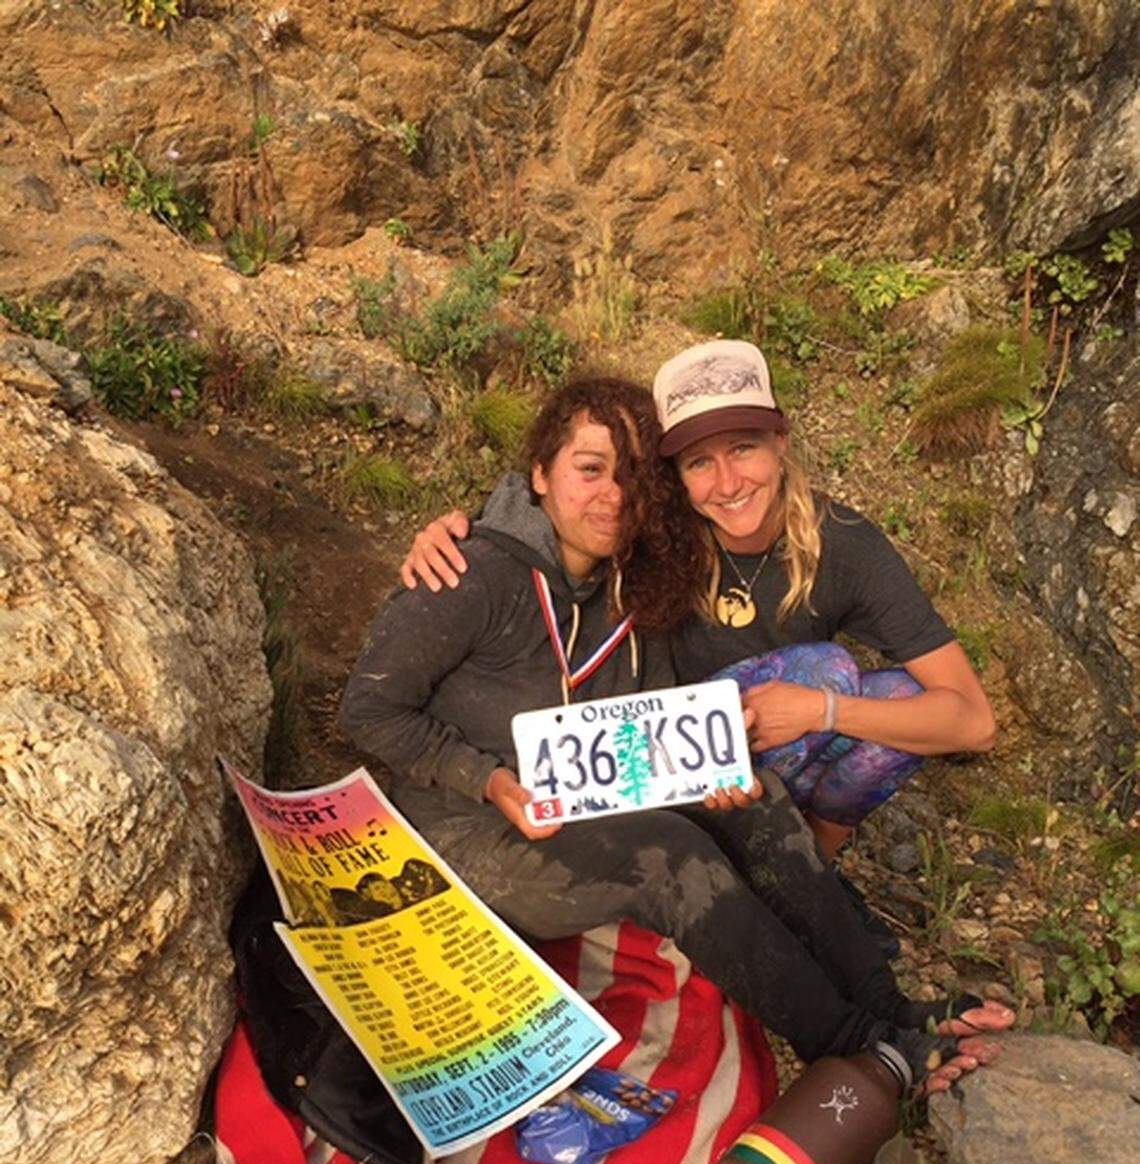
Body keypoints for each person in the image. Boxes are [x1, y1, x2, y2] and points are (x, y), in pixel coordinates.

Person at [339, 376, 1005, 1090]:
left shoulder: (633, 582)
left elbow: (650, 713)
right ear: (538, 474)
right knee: (672, 857)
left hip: (587, 799)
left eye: (632, 476)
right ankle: (855, 1045)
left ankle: (887, 1002)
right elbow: (367, 713)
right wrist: (488, 780)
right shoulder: (470, 574)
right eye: (590, 470)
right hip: (472, 827)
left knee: (758, 799)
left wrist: (708, 772)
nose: (614, 496)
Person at [399, 340, 996, 875]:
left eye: (743, 449)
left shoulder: (846, 544)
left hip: (770, 732)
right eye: (699, 463)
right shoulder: (655, 522)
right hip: (653, 758)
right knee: (830, 668)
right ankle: (742, 855)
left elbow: (973, 722)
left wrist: (823, 711)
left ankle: (814, 859)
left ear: (780, 445)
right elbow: (557, 511)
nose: (728, 482)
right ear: (674, 475)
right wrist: (464, 532)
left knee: (887, 698)